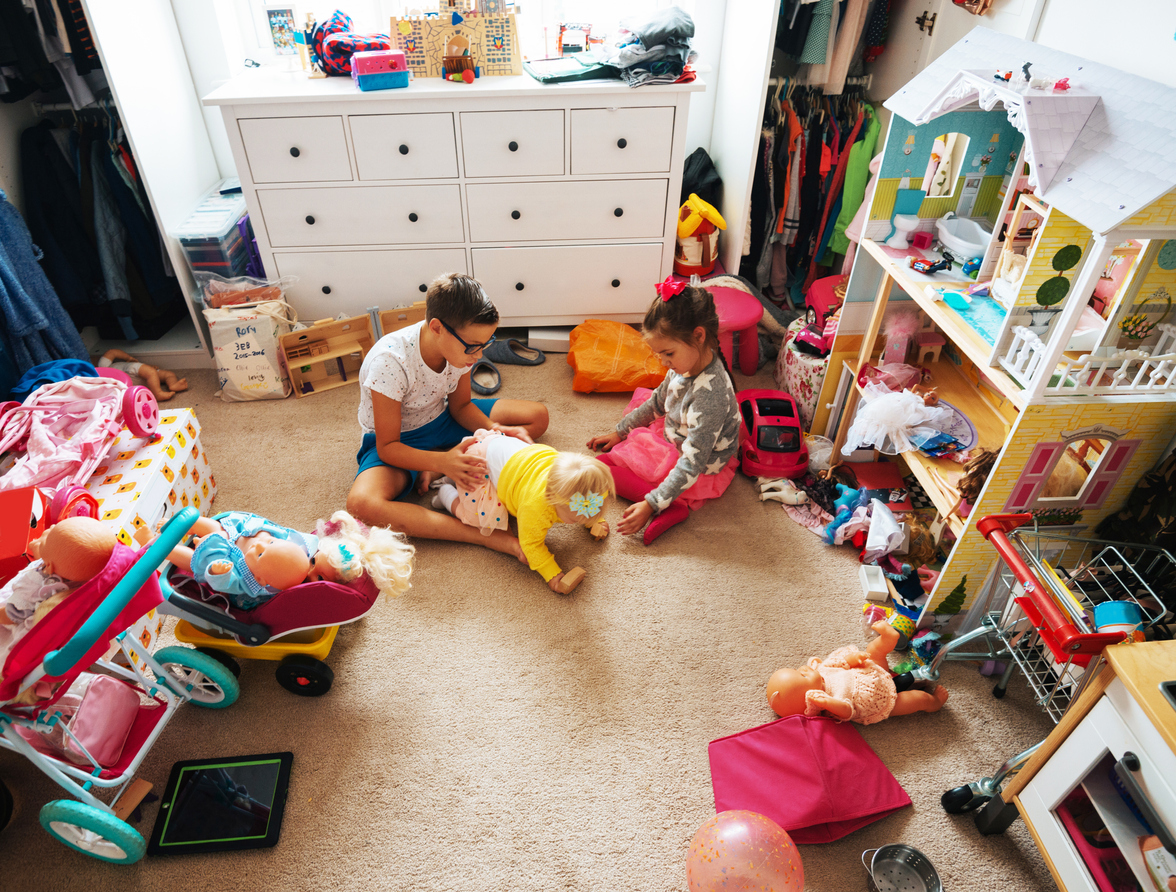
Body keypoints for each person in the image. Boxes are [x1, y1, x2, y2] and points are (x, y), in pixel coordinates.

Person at [346, 273, 548, 560]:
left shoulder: (460, 352)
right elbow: (387, 447)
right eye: (472, 346)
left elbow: (462, 406)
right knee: (361, 505)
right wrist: (441, 460)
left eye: (485, 344)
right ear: (437, 328)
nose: (478, 356)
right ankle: (481, 535)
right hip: (398, 439)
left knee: (537, 416)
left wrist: (495, 431)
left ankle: (441, 466)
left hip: (441, 417)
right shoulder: (389, 363)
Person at [587, 277, 741, 544]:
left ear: (699, 336)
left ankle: (672, 505)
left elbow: (692, 463)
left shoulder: (710, 398)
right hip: (678, 432)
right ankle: (666, 500)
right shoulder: (683, 367)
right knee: (606, 460)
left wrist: (650, 503)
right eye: (659, 354)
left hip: (697, 461)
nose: (663, 362)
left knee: (602, 469)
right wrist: (620, 432)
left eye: (668, 353)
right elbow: (657, 403)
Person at [433, 430, 613, 593]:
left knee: (585, 510)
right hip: (482, 463)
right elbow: (531, 545)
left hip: (504, 449)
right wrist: (553, 575)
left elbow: (588, 502)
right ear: (552, 500)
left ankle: (455, 473)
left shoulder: (572, 479)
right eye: (575, 519)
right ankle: (447, 494)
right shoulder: (536, 507)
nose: (581, 520)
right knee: (480, 517)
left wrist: (595, 520)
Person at [162, 510, 415, 608]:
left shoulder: (273, 583)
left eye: (318, 578)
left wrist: (220, 572)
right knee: (215, 527)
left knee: (199, 563)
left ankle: (161, 546)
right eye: (314, 563)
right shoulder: (306, 547)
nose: (309, 573)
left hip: (233, 567)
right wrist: (266, 536)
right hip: (244, 536)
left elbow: (231, 586)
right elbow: (281, 533)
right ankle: (184, 524)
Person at [765, 621, 949, 724]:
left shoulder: (822, 669)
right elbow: (847, 711)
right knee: (917, 699)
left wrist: (854, 659)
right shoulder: (831, 704)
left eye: (798, 670)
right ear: (811, 697)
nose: (804, 669)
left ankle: (889, 637)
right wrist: (829, 702)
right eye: (803, 675)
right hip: (880, 703)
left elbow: (842, 663)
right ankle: (934, 702)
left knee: (874, 650)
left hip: (872, 674)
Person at [99, 348, 189, 401]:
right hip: (134, 382)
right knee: (154, 373)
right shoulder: (104, 389)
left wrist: (128, 358)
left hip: (132, 370)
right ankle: (158, 393)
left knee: (166, 374)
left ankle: (172, 385)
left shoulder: (102, 367)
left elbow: (112, 352)